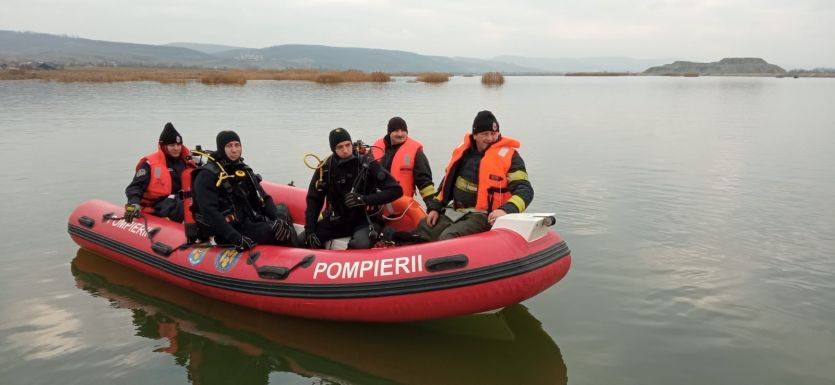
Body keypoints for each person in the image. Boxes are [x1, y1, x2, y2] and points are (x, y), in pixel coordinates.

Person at [416, 110, 533, 241]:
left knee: (448, 237)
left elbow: (525, 191)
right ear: (475, 135)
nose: (490, 138)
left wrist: (505, 210)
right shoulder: (463, 153)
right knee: (423, 228)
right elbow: (447, 183)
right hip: (457, 210)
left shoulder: (510, 157)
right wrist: (435, 208)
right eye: (485, 134)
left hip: (485, 215)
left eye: (494, 134)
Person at [190, 130, 294, 250]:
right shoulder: (207, 175)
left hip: (251, 221)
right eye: (229, 146)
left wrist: (278, 218)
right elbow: (209, 213)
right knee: (280, 233)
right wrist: (236, 238)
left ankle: (307, 251)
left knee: (283, 215)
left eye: (237, 145)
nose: (234, 150)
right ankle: (306, 258)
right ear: (221, 148)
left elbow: (263, 198)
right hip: (230, 230)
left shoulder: (243, 169)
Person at [304, 128, 403, 249]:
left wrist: (365, 199)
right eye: (340, 147)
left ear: (352, 144)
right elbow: (314, 200)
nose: (345, 150)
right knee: (303, 240)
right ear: (333, 149)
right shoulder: (325, 168)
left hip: (365, 220)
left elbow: (396, 190)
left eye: (348, 145)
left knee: (359, 245)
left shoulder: (367, 164)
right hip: (337, 220)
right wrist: (310, 230)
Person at [370, 117, 439, 230]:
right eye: (396, 131)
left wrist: (433, 208)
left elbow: (425, 184)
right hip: (377, 206)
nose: (400, 134)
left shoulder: (416, 153)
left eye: (403, 131)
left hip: (401, 208)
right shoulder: (376, 149)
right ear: (389, 132)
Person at [125, 122, 196, 223]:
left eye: (179, 144)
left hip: (181, 199)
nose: (176, 148)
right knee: (184, 202)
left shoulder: (189, 162)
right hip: (158, 204)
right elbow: (135, 187)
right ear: (163, 146)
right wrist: (134, 203)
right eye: (172, 145)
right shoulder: (150, 164)